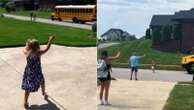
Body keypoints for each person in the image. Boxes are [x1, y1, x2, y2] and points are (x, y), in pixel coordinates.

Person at [21, 36, 55, 109]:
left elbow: (24, 49)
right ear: (37, 47)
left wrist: (27, 45)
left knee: (27, 88)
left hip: (29, 72)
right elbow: (47, 48)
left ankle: (25, 102)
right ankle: (43, 92)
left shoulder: (27, 53)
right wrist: (50, 40)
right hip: (37, 72)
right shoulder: (38, 53)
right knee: (42, 81)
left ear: (30, 47)